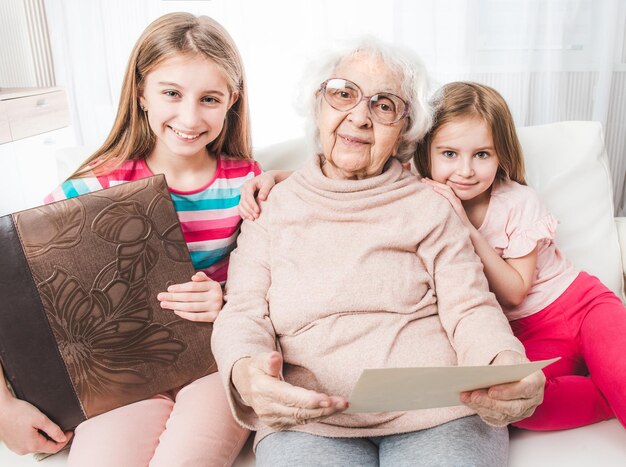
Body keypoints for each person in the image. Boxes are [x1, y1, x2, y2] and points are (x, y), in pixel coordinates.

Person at [212, 39, 545, 467]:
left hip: (440, 412)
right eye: (343, 93)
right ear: (319, 105)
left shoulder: (430, 204)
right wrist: (246, 373)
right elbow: (242, 312)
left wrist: (505, 365)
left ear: (406, 127)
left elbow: (471, 307)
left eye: (384, 105)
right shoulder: (271, 205)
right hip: (311, 420)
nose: (360, 116)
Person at [0, 12, 257, 465]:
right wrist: (3, 407)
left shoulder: (248, 184)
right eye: (171, 93)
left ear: (232, 101)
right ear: (141, 92)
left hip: (214, 361)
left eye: (210, 99)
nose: (190, 116)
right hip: (121, 377)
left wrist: (229, 296)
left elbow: (282, 273)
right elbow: (12, 293)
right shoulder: (91, 190)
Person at [412, 81, 626, 431]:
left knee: (624, 378)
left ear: (500, 155)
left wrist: (464, 224)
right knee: (513, 406)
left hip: (582, 306)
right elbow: (372, 181)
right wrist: (291, 176)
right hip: (525, 332)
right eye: (449, 154)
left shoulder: (519, 201)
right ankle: (607, 393)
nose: (465, 170)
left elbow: (515, 290)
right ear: (426, 153)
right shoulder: (424, 197)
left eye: (482, 154)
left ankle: (614, 381)